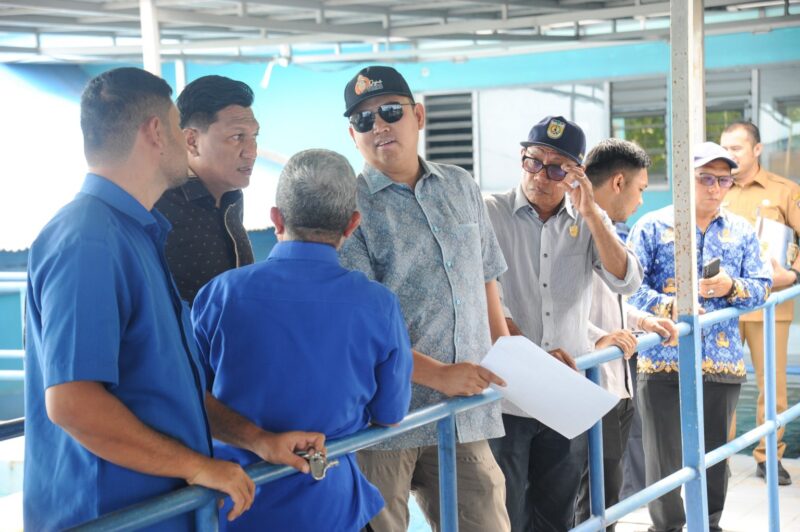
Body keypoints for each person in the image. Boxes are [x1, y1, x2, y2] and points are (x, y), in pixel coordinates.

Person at [23, 68, 323, 531]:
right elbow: (73, 403)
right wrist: (197, 465)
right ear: (156, 131)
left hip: (162, 510)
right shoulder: (88, 239)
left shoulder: (138, 233)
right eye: (176, 120)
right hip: (110, 514)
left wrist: (258, 440)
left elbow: (172, 387)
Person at [192, 148, 413, 531]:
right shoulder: (379, 305)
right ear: (352, 224)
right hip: (330, 505)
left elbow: (189, 396)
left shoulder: (221, 294)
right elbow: (390, 414)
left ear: (276, 218)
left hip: (235, 505)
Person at [339, 65, 511, 532]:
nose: (379, 126)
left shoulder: (460, 185)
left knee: (487, 523)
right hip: (385, 421)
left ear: (418, 115)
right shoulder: (347, 206)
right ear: (351, 133)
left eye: (390, 111)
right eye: (363, 120)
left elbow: (486, 278)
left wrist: (515, 355)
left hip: (463, 413)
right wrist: (439, 375)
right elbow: (359, 325)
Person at [484, 116, 644, 531]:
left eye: (558, 169)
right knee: (507, 514)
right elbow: (485, 302)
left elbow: (626, 280)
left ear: (576, 175)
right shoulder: (491, 213)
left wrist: (591, 211)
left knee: (558, 515)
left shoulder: (587, 219)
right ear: (522, 159)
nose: (542, 176)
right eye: (534, 161)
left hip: (564, 396)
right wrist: (535, 360)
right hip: (507, 397)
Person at [628, 141, 772, 532]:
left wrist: (729, 286)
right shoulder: (652, 226)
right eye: (705, 178)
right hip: (662, 361)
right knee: (663, 459)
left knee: (714, 457)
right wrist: (669, 307)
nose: (715, 187)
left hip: (721, 361)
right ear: (685, 180)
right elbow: (628, 288)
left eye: (723, 180)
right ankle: (668, 528)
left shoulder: (740, 231)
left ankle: (708, 524)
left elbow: (762, 285)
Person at [576, 138, 679, 531]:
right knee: (589, 499)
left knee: (607, 495)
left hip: (616, 384)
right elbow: (551, 309)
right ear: (618, 183)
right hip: (590, 382)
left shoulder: (608, 232)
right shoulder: (575, 229)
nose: (641, 201)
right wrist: (597, 339)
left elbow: (607, 299)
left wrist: (643, 321)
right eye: (640, 189)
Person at [720, 121, 800, 486]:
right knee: (719, 382)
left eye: (737, 148)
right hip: (724, 305)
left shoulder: (785, 192)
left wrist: (794, 274)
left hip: (770, 305)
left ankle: (769, 456)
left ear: (757, 149)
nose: (730, 155)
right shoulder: (715, 188)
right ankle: (718, 457)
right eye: (726, 148)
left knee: (772, 386)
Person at [156, 75, 259, 305]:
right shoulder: (160, 209)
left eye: (254, 136)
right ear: (191, 141)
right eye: (237, 137)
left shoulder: (229, 197)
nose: (251, 151)